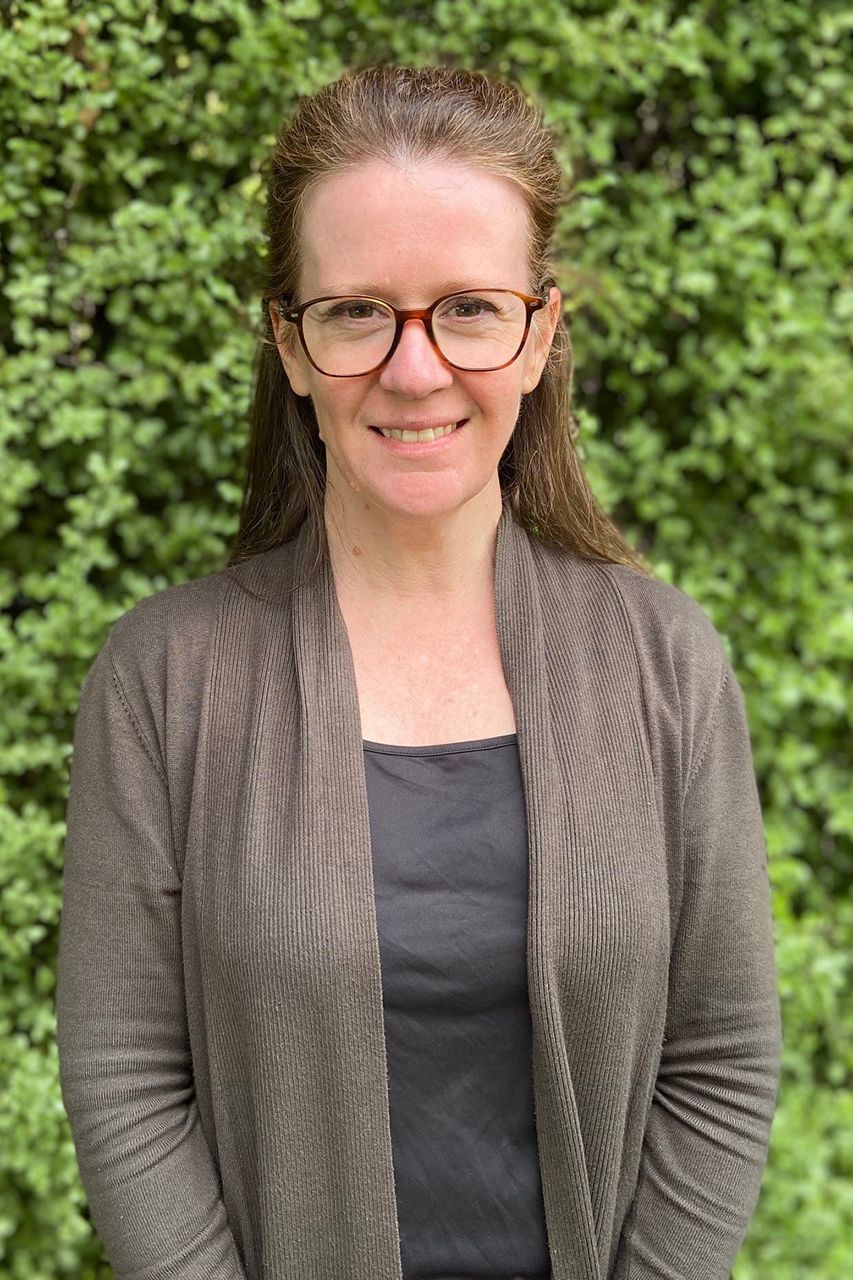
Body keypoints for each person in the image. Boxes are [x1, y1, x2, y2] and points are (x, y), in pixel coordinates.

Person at [55, 64, 783, 1280]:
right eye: (356, 313)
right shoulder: (163, 679)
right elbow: (125, 1072)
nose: (413, 366)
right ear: (290, 343)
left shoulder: (663, 659)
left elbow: (720, 1052)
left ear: (541, 333)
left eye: (469, 308)